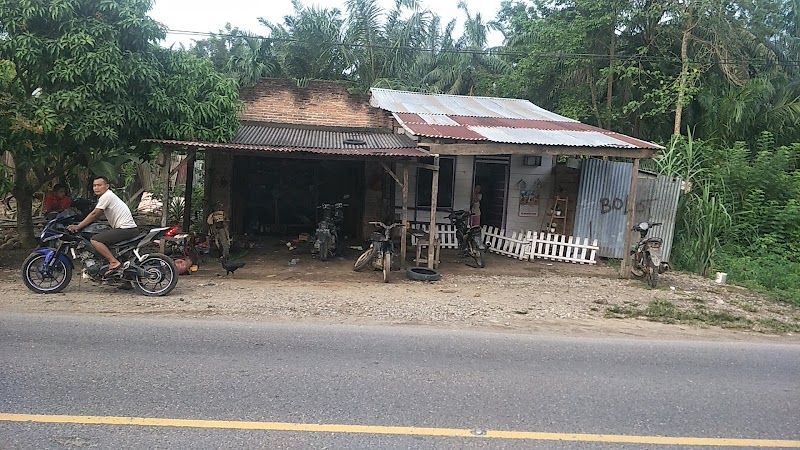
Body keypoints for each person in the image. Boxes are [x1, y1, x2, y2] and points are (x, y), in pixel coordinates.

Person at [67, 176, 138, 276]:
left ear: (107, 186)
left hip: (125, 229)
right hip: (128, 229)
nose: (96, 188)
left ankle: (113, 262)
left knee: (95, 240)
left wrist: (78, 226)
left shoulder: (107, 196)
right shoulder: (107, 197)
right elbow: (96, 215)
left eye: (99, 185)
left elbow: (94, 214)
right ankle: (125, 280)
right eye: (94, 185)